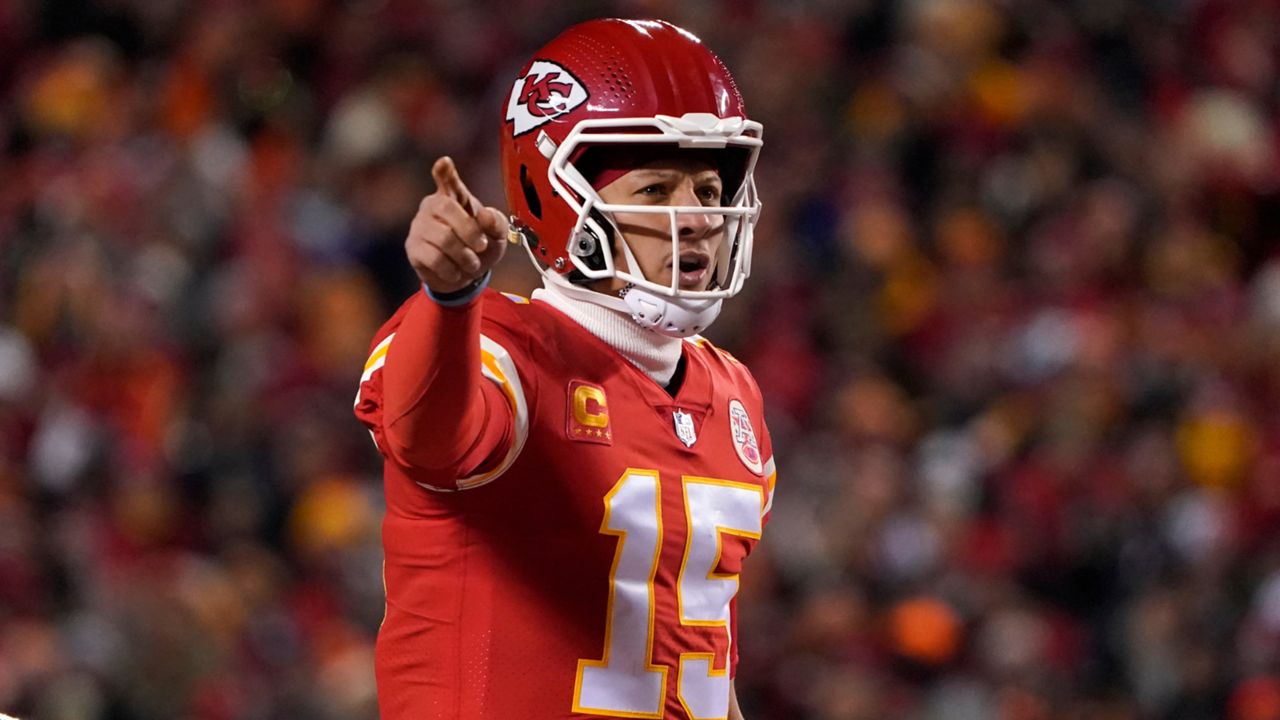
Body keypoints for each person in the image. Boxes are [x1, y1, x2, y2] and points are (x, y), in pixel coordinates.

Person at [355, 18, 776, 720]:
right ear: (560, 198)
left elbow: (693, 665)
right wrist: (450, 300)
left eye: (708, 189)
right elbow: (427, 437)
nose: (699, 216)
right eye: (656, 190)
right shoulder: (500, 348)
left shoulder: (733, 393)